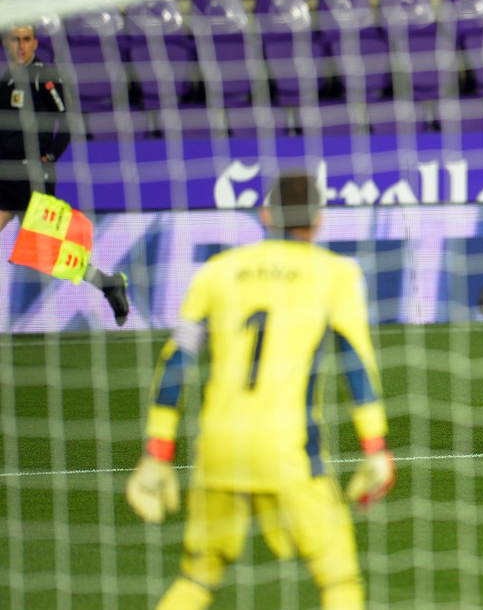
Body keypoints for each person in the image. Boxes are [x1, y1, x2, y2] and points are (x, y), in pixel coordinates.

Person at [125, 172, 396, 609]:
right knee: (340, 584)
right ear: (320, 221)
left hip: (217, 448)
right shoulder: (335, 274)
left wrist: (157, 451)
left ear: (266, 214)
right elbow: (355, 361)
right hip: (287, 451)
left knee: (196, 578)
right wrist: (375, 444)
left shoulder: (217, 271)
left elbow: (175, 360)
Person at [1, 25, 129, 324]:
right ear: (6, 43)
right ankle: (109, 285)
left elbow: (68, 121)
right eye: (15, 40)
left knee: (51, 253)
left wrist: (50, 156)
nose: (21, 46)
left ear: (34, 42)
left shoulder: (43, 77)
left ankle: (109, 285)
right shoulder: (7, 79)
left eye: (27, 39)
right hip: (6, 175)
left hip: (33, 177)